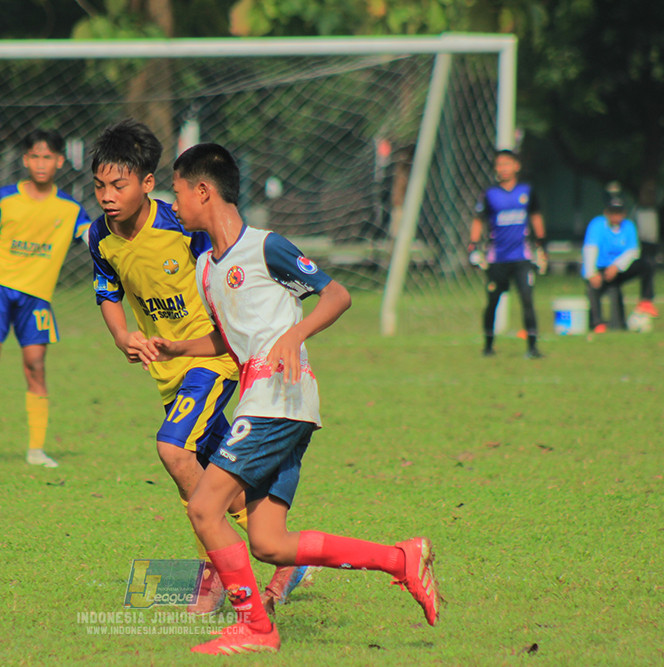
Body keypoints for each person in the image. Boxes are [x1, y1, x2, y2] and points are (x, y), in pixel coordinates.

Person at [143, 143, 439, 654]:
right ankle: (402, 559)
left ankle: (256, 628)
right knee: (269, 543)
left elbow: (337, 294)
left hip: (278, 399)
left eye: (177, 192)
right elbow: (231, 339)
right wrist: (178, 347)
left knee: (204, 509)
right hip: (266, 401)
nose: (174, 205)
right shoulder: (206, 268)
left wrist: (295, 336)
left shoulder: (266, 246)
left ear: (203, 190)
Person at [87, 119, 309, 615]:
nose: (107, 196)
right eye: (100, 185)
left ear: (147, 183)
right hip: (168, 370)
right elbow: (108, 292)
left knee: (172, 448)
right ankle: (282, 557)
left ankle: (223, 575)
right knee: (218, 479)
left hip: (211, 361)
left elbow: (227, 272)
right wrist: (124, 335)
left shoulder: (181, 226)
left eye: (119, 185)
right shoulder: (98, 236)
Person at [0, 128, 91, 468]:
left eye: (48, 157)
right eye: (35, 156)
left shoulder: (71, 209)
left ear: (60, 161)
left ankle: (36, 450)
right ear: (25, 159)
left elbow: (95, 239)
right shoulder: (6, 198)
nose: (41, 163)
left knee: (36, 366)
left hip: (36, 297)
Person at [468, 149, 548, 359]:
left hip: (522, 257)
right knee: (493, 300)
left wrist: (541, 245)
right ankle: (488, 345)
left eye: (507, 163)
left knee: (527, 299)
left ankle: (532, 347)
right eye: (499, 164)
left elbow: (536, 217)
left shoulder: (526, 191)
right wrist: (473, 245)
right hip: (498, 258)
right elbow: (478, 219)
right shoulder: (489, 194)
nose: (503, 168)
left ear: (516, 166)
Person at [582, 196, 658, 332]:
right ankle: (597, 323)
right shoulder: (597, 225)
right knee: (593, 289)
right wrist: (591, 273)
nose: (616, 216)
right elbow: (590, 249)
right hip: (599, 269)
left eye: (619, 212)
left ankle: (645, 300)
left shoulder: (629, 226)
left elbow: (633, 251)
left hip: (619, 270)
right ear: (606, 213)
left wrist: (616, 266)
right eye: (613, 212)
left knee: (647, 264)